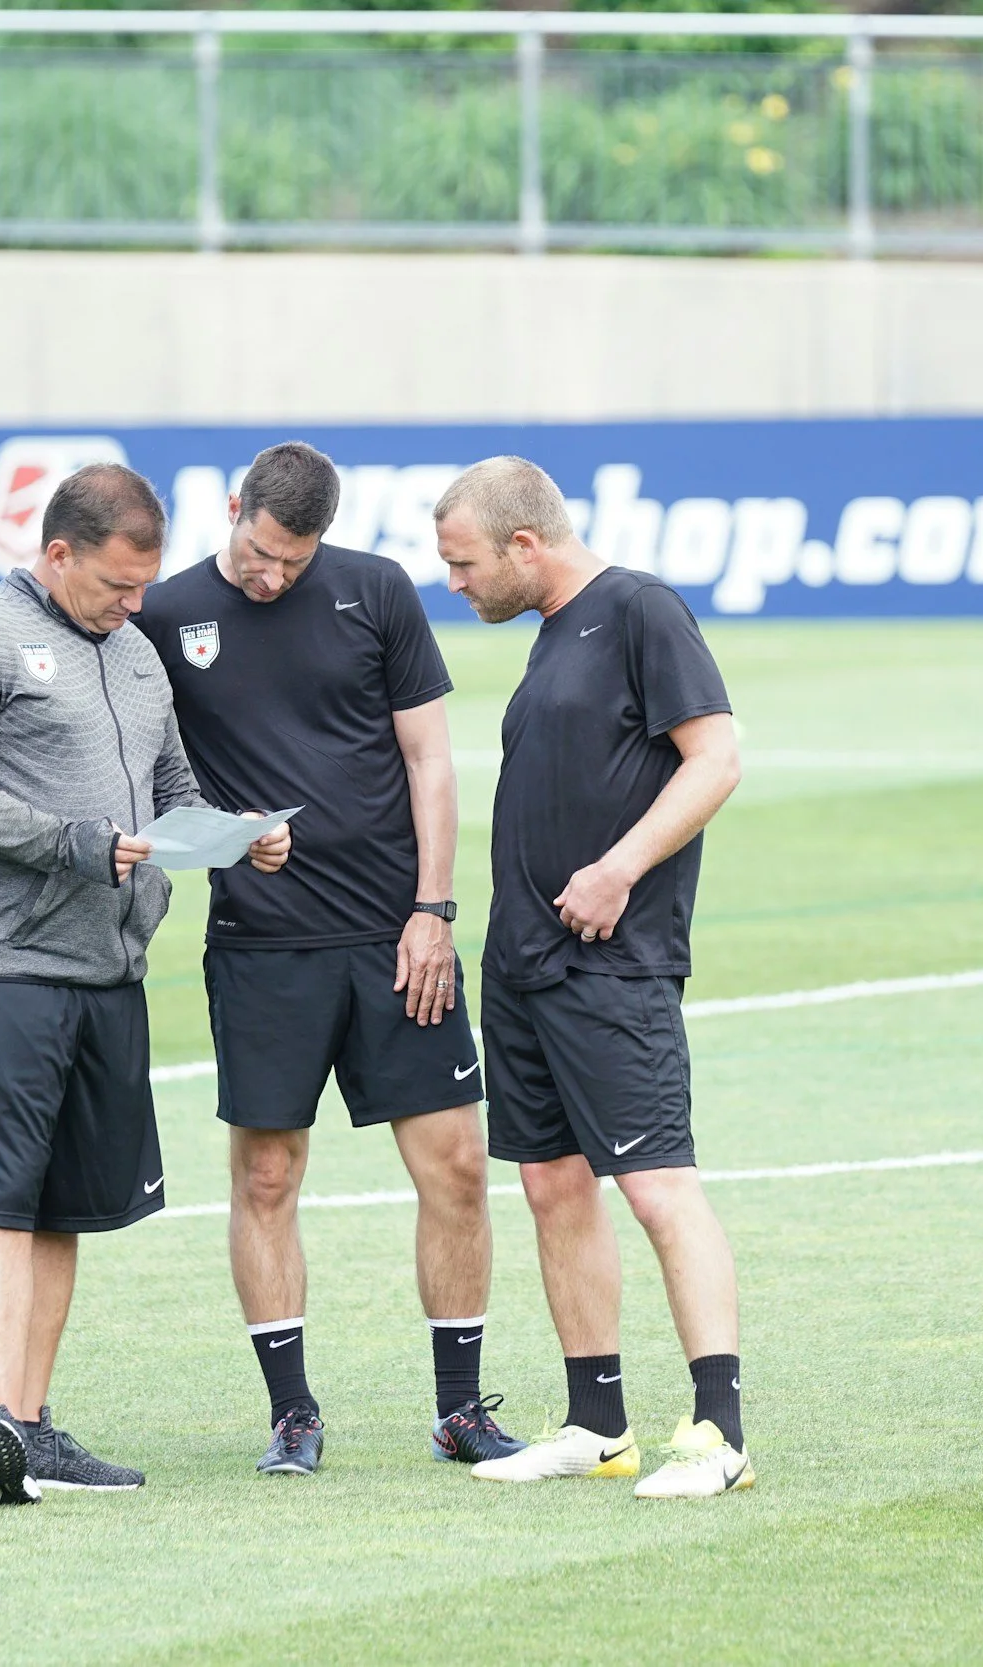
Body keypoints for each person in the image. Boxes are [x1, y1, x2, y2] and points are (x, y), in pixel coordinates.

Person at [135, 441, 526, 1478]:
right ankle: (292, 1414)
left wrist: (433, 908)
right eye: (261, 555)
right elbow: (143, 785)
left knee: (453, 1166)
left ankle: (458, 1410)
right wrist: (218, 834)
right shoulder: (166, 616)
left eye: (293, 562)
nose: (274, 576)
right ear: (232, 510)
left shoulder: (375, 591)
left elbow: (428, 758)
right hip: (261, 945)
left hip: (397, 938)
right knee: (266, 1173)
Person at [0, 461, 290, 1507]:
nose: (132, 606)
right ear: (58, 551)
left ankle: (30, 1423)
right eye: (116, 586)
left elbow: (168, 783)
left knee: (68, 1207)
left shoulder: (135, 653)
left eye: (143, 588)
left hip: (109, 967)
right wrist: (65, 844)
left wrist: (224, 836)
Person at [432, 456, 754, 1500]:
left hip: (611, 965)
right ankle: (595, 1420)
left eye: (464, 562)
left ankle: (722, 1432)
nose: (456, 582)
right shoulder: (550, 637)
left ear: (525, 545)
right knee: (550, 1183)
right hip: (523, 964)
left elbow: (716, 758)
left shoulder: (638, 610)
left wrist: (619, 867)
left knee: (658, 1185)